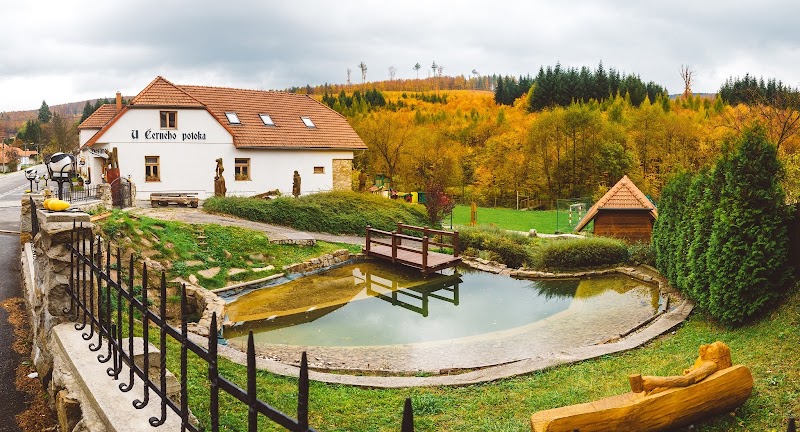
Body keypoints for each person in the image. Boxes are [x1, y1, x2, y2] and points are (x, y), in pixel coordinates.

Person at [630, 341, 733, 396]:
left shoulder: (711, 365)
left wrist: (656, 381)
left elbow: (687, 380)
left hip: (687, 389)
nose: (706, 347)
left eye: (711, 348)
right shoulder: (706, 361)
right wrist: (692, 369)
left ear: (717, 358)